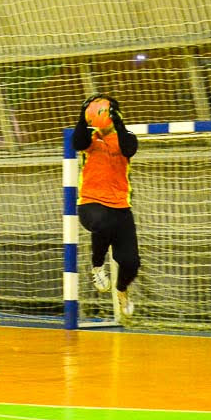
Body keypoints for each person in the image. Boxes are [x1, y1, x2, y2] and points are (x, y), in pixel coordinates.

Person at [72, 94, 140, 316]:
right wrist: (83, 118)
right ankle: (98, 265)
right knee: (101, 221)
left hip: (120, 207)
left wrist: (117, 121)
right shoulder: (90, 139)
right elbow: (77, 142)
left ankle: (121, 290)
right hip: (91, 204)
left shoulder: (125, 137)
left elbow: (129, 148)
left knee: (131, 262)